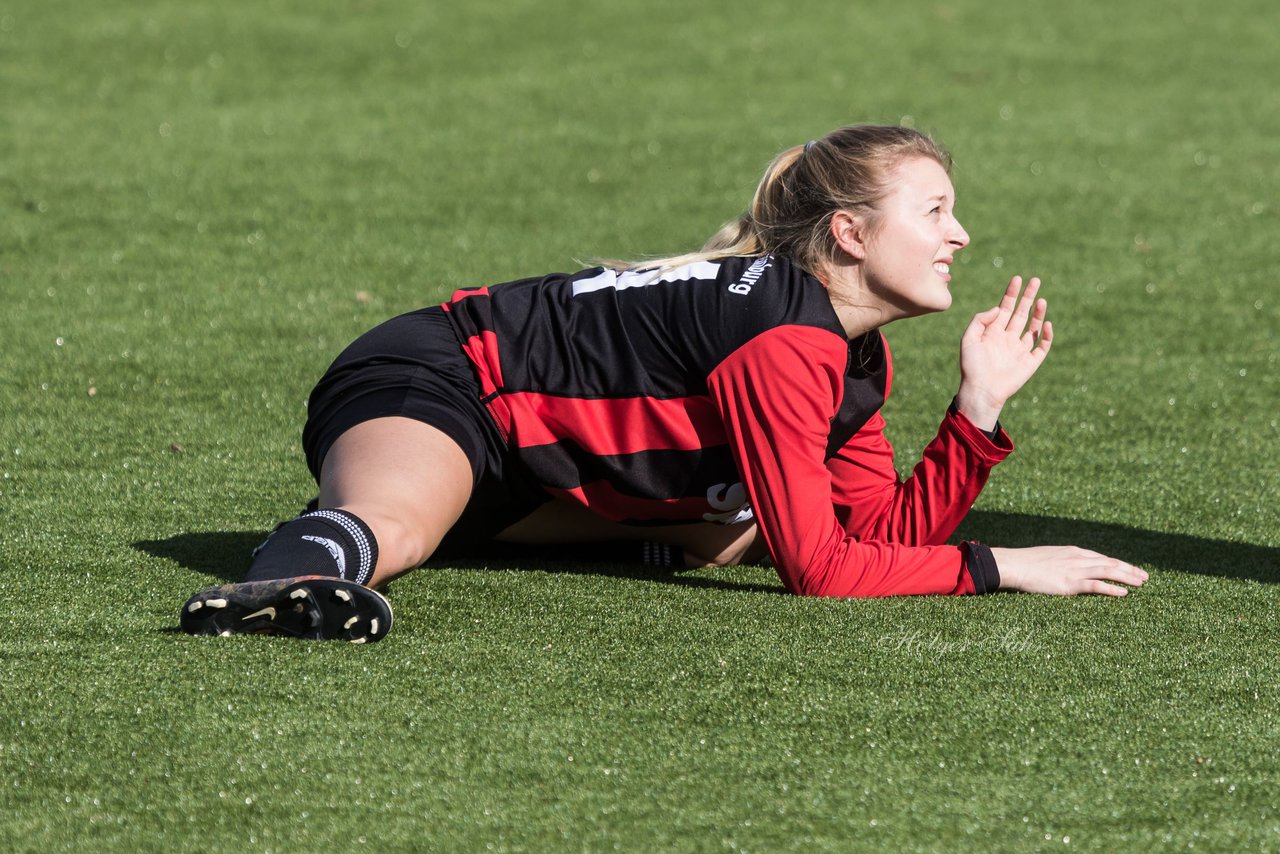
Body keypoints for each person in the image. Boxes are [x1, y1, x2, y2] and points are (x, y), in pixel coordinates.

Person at [179, 124, 1147, 643]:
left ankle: (403, 536)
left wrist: (975, 412)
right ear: (847, 234)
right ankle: (281, 583)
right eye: (934, 209)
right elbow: (822, 572)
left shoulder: (850, 351)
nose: (958, 234)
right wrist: (999, 564)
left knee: (731, 529)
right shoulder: (783, 333)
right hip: (442, 378)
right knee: (390, 527)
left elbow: (872, 537)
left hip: (539, 460)